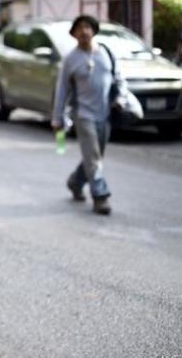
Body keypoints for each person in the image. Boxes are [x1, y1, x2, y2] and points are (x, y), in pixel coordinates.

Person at [51, 15, 126, 216]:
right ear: (74, 34)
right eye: (79, 28)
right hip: (83, 115)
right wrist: (57, 118)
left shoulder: (107, 53)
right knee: (93, 157)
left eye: (87, 27)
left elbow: (119, 80)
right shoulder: (70, 59)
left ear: (93, 30)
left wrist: (121, 99)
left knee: (95, 157)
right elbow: (62, 90)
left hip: (105, 114)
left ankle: (75, 181)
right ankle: (101, 197)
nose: (84, 31)